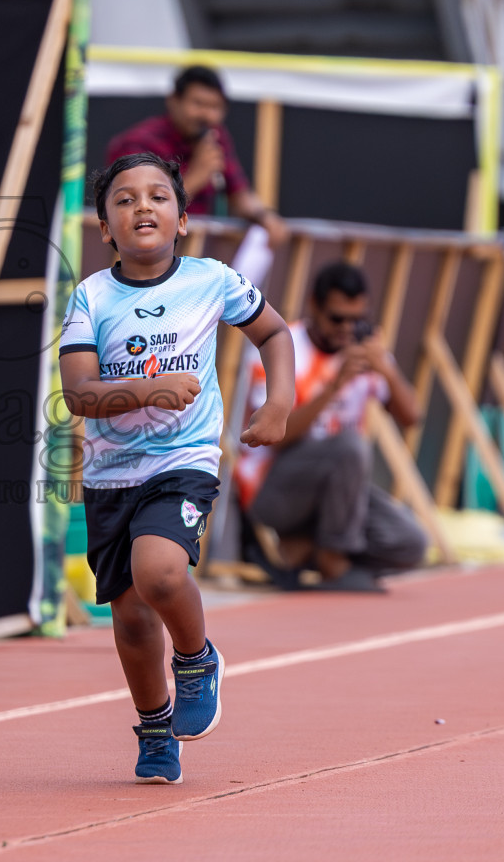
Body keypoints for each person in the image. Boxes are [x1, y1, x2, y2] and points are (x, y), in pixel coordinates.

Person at [58, 151, 295, 785]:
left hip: (184, 459)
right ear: (105, 228)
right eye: (125, 199)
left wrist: (279, 404)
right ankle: (155, 728)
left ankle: (195, 659)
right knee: (132, 618)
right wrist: (148, 390)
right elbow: (79, 394)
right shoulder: (90, 297)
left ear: (183, 219)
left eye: (158, 197)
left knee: (160, 571)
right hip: (112, 475)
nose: (142, 207)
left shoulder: (213, 280)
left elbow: (274, 334)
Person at [234, 261, 428, 592]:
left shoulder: (362, 350)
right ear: (314, 306)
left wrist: (386, 369)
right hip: (273, 487)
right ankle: (333, 559)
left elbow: (411, 418)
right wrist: (336, 384)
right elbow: (269, 438)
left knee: (411, 542)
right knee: (349, 446)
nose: (347, 329)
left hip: (335, 493)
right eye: (338, 318)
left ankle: (303, 550)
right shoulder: (282, 346)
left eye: (358, 320)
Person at [104, 65, 288, 244]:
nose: (207, 115)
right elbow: (141, 209)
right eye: (198, 104)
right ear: (173, 101)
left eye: (215, 107)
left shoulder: (214, 137)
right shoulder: (140, 143)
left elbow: (239, 193)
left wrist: (265, 217)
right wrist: (197, 174)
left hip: (193, 251)